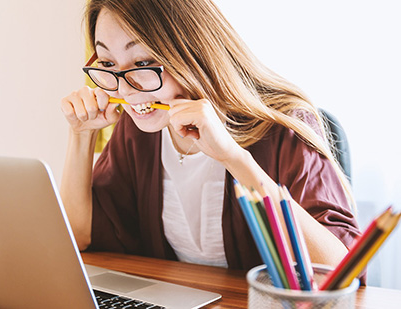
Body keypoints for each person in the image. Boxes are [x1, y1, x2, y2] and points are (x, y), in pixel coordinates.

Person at [60, 0, 362, 274]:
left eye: (142, 63)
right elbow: (79, 236)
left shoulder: (285, 125)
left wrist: (233, 157)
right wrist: (81, 135)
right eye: (108, 64)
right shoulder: (139, 129)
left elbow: (342, 272)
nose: (124, 90)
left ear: (192, 52)